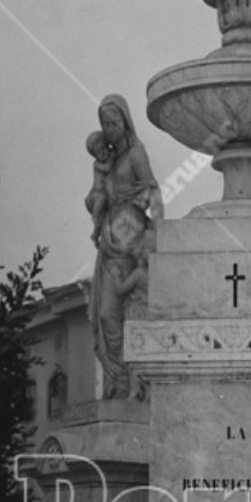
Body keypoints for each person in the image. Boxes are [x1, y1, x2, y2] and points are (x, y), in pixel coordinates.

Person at [86, 95, 162, 399]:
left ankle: (134, 381)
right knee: (105, 315)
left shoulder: (136, 154)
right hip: (108, 240)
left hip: (131, 240)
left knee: (125, 311)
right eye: (105, 123)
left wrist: (153, 235)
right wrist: (98, 189)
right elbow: (94, 197)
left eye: (115, 122)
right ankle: (116, 380)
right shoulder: (107, 159)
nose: (110, 128)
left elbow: (152, 191)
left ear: (125, 121)